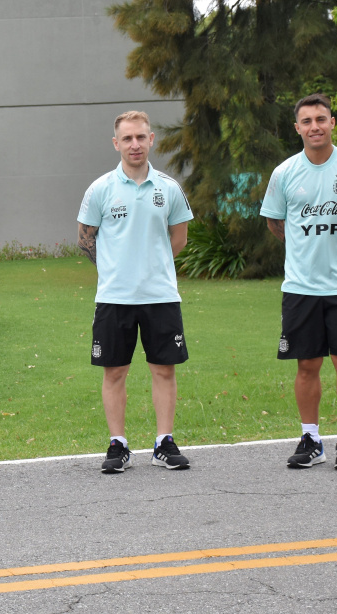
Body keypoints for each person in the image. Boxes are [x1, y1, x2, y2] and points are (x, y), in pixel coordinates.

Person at [261, 93, 337, 470]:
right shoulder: (284, 173)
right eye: (307, 121)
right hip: (301, 288)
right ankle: (311, 439)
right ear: (297, 128)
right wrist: (301, 249)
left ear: (332, 122)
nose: (314, 126)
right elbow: (274, 221)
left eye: (321, 119)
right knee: (306, 365)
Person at [77, 110, 193, 473]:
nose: (135, 144)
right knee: (114, 373)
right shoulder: (100, 189)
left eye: (141, 137)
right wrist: (116, 270)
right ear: (116, 143)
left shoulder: (169, 188)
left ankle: (164, 443)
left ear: (151, 139)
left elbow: (179, 239)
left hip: (161, 296)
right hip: (115, 299)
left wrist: (151, 265)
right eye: (127, 138)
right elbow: (85, 239)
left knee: (164, 371)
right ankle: (118, 445)